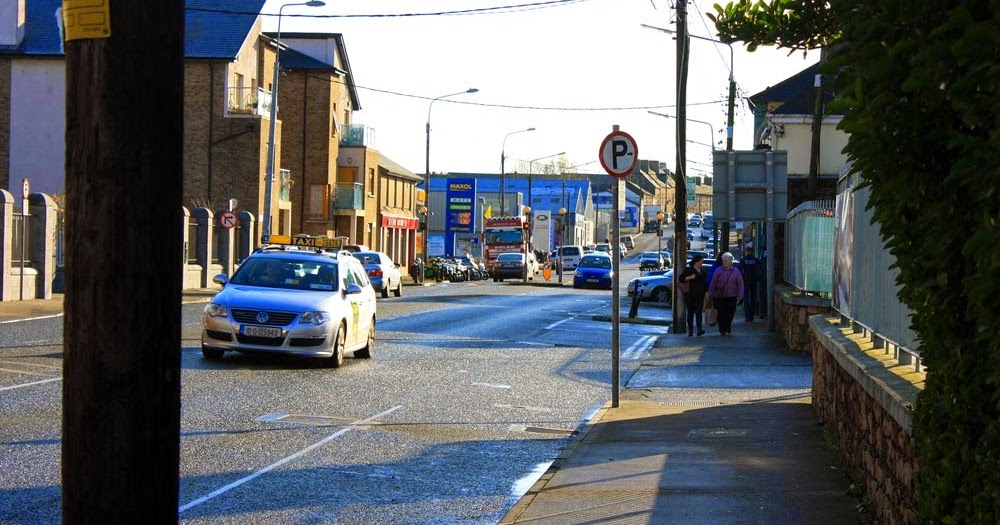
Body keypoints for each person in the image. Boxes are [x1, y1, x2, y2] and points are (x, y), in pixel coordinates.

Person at [707, 252, 744, 335]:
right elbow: (713, 282)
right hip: (720, 296)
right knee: (721, 313)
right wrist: (710, 294)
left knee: (731, 312)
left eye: (726, 261)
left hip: (732, 295)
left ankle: (728, 325)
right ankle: (722, 328)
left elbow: (740, 283)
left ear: (731, 261)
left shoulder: (736, 271)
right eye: (723, 261)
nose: (724, 262)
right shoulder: (718, 270)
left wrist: (740, 294)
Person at [679, 254, 709, 336]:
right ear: (696, 262)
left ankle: (699, 329)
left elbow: (705, 284)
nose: (702, 263)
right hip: (689, 295)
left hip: (700, 296)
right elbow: (681, 279)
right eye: (701, 261)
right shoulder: (689, 270)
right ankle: (690, 330)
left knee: (699, 313)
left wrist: (706, 293)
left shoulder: (703, 272)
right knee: (690, 313)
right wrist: (689, 277)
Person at [738, 247, 761, 322]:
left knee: (746, 299)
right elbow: (760, 271)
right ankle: (751, 315)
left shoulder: (743, 260)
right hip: (753, 281)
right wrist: (757, 279)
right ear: (752, 251)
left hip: (745, 281)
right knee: (753, 298)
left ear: (746, 251)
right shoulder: (756, 260)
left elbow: (739, 271)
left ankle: (747, 316)